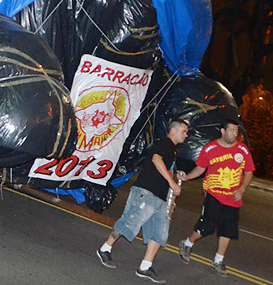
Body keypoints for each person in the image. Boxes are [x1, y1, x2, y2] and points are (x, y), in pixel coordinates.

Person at [96, 119, 189, 283]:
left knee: (159, 233)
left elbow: (164, 167)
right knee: (129, 223)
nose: (186, 135)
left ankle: (145, 266)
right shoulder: (165, 143)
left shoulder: (172, 150)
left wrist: (176, 175)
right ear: (173, 130)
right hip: (146, 192)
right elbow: (156, 159)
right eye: (184, 131)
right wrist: (172, 183)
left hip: (159, 198)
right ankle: (105, 248)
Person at [177, 119, 255, 277]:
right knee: (207, 226)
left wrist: (242, 189)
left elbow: (248, 172)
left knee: (228, 230)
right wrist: (187, 177)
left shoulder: (243, 150)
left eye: (236, 131)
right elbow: (201, 168)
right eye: (232, 130)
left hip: (233, 198)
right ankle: (187, 243)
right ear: (223, 131)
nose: (235, 134)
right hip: (213, 194)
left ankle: (218, 261)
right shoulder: (210, 148)